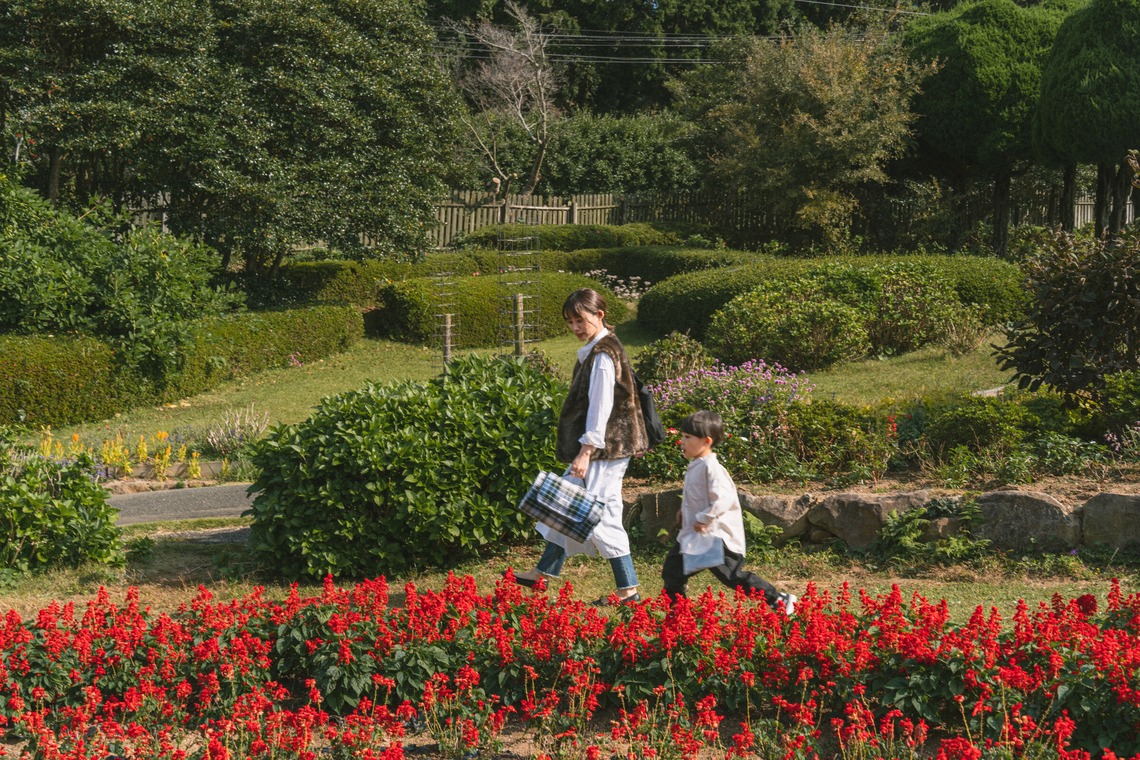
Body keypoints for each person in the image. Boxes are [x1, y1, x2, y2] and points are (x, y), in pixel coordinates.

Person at [509, 288, 649, 605]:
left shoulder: (602, 356)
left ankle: (628, 591)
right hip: (608, 449)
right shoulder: (600, 348)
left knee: (596, 515)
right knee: (568, 505)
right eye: (570, 321)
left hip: (603, 450)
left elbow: (600, 409)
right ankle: (542, 574)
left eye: (580, 320)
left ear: (599, 315)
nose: (574, 327)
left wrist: (586, 451)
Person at [662, 410, 797, 615]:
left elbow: (722, 499)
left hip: (715, 537)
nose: (682, 441)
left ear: (706, 441)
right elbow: (697, 496)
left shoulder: (712, 468)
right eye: (683, 436)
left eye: (688, 437)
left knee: (732, 576)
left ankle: (777, 599)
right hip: (694, 535)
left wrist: (703, 518)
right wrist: (684, 512)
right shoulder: (696, 465)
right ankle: (678, 611)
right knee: (672, 570)